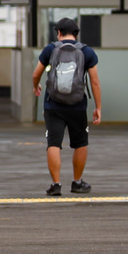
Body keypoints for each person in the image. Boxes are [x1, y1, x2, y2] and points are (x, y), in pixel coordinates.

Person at [31, 18, 101, 196]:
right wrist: (98, 107)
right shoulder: (87, 52)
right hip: (77, 105)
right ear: (76, 34)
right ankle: (77, 182)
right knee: (80, 143)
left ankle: (56, 185)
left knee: (53, 143)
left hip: (53, 104)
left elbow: (36, 73)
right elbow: (94, 81)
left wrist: (36, 86)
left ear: (59, 33)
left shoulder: (50, 49)